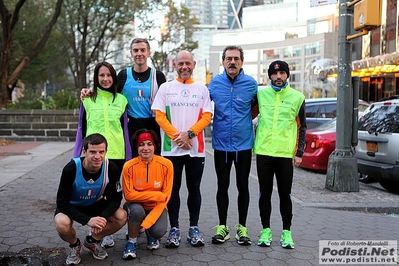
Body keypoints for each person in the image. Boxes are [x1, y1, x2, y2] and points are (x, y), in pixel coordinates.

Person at [151, 50, 212, 248]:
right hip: (171, 149)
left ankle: (194, 228)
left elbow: (207, 116)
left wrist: (190, 135)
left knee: (194, 188)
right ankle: (175, 229)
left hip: (195, 149)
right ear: (174, 65)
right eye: (180, 64)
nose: (184, 67)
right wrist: (178, 137)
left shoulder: (202, 89)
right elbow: (159, 116)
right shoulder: (166, 88)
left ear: (194, 65)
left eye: (188, 63)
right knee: (173, 189)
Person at [74, 61, 131, 248]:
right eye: (101, 75)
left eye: (108, 75)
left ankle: (105, 232)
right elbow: (81, 127)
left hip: (116, 154)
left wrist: (128, 156)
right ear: (96, 78)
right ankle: (94, 227)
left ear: (113, 78)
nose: (105, 79)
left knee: (112, 195)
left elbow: (125, 130)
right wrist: (79, 153)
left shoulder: (122, 100)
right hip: (94, 155)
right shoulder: (87, 100)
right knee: (95, 195)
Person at [208, 45, 258, 246]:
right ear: (223, 62)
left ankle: (242, 228)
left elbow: (254, 109)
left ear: (242, 62)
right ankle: (222, 227)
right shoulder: (214, 83)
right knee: (222, 186)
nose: (232, 62)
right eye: (229, 59)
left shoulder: (251, 84)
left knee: (243, 186)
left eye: (236, 59)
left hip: (243, 145)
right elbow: (203, 108)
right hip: (220, 146)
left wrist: (242, 125)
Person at [254, 60, 306, 249]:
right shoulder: (260, 95)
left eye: (282, 73)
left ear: (287, 75)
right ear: (270, 76)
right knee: (264, 194)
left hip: (285, 155)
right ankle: (265, 230)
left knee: (285, 195)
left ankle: (286, 232)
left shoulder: (298, 97)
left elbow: (302, 126)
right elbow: (247, 115)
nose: (278, 77)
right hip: (264, 152)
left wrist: (299, 152)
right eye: (275, 74)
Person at [54, 133, 127, 265]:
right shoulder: (71, 169)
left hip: (95, 204)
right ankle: (74, 245)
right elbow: (61, 202)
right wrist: (88, 220)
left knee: (121, 216)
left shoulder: (111, 168)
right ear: (84, 151)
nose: (97, 156)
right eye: (92, 152)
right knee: (61, 223)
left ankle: (92, 241)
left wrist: (103, 218)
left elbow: (116, 198)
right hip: (72, 206)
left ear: (106, 151)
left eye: (101, 152)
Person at [81, 38, 166, 150]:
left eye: (142, 50)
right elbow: (108, 92)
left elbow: (166, 102)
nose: (139, 53)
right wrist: (90, 92)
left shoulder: (158, 76)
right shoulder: (124, 75)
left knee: (153, 162)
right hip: (131, 126)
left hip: (153, 125)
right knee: (132, 163)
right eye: (135, 50)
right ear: (131, 53)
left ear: (148, 53)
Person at [121, 129, 174, 260]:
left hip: (157, 207)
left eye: (149, 144)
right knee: (137, 211)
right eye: (141, 144)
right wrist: (156, 195)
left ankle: (150, 233)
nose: (145, 148)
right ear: (136, 147)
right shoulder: (128, 166)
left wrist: (148, 223)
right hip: (136, 205)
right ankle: (132, 241)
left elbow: (165, 197)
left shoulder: (167, 165)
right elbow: (129, 195)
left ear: (155, 146)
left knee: (158, 231)